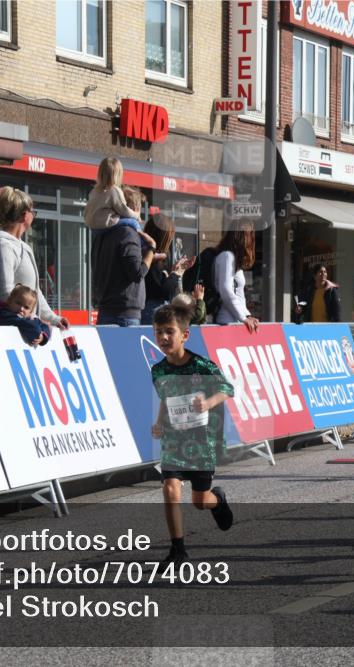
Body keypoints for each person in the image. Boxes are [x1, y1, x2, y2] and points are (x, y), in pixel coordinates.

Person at [150, 302, 236, 565]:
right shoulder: (158, 370)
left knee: (200, 501)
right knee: (170, 489)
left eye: (169, 332)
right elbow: (167, 399)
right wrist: (159, 422)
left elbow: (227, 389)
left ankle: (217, 500)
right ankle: (178, 550)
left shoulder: (201, 365)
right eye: (158, 332)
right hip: (174, 441)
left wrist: (208, 403)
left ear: (184, 335)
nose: (163, 338)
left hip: (202, 442)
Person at [0, 187, 70, 331]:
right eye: (33, 212)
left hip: (24, 328)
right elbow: (5, 294)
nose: (33, 216)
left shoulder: (23, 247)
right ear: (25, 215)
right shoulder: (2, 247)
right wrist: (32, 322)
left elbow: (34, 293)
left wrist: (54, 319)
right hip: (8, 331)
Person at [91, 187, 155, 327]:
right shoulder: (128, 233)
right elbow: (137, 273)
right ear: (133, 208)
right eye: (139, 206)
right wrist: (151, 249)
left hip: (106, 308)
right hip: (125, 315)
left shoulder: (102, 234)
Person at [83, 156, 157, 249]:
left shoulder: (95, 191)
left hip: (94, 228)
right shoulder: (114, 190)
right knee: (133, 223)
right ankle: (144, 247)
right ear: (118, 175)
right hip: (106, 224)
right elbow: (124, 210)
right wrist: (136, 215)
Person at [141, 212, 188, 324]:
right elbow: (163, 291)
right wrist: (176, 274)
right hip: (152, 312)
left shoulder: (150, 255)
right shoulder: (151, 257)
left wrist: (173, 272)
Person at [214, 222, 260, 333]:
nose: (252, 240)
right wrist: (243, 317)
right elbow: (226, 290)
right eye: (250, 235)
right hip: (226, 321)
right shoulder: (227, 257)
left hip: (234, 321)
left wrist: (247, 315)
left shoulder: (233, 259)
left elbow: (239, 295)